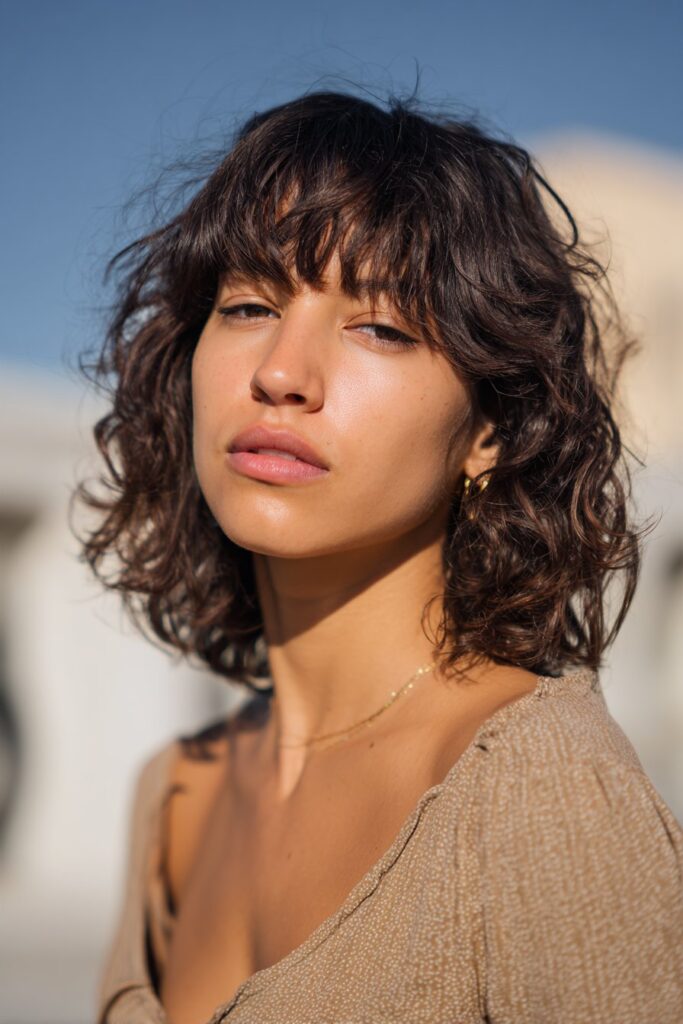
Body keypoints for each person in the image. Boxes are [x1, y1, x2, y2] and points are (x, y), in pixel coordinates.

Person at [75, 88, 683, 1024]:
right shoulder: (174, 795)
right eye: (248, 305)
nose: (280, 373)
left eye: (382, 328)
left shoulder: (541, 790)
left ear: (487, 429)